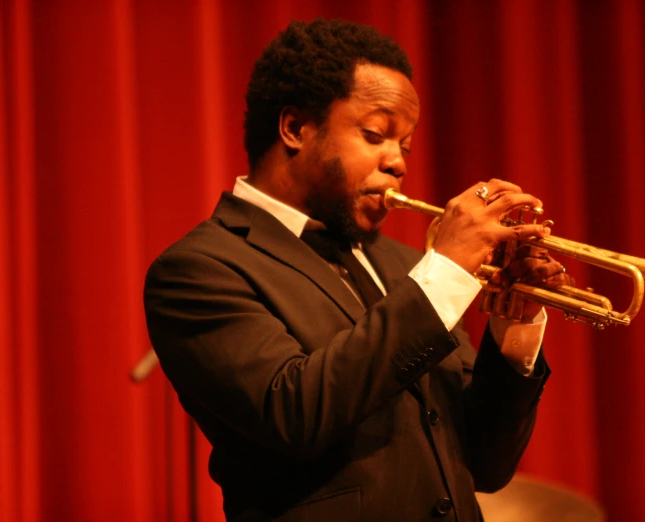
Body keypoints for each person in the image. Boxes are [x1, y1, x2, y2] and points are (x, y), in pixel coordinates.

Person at [144, 19, 570, 522]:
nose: (398, 163)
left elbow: (486, 464)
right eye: (375, 135)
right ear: (295, 128)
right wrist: (447, 270)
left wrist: (513, 326)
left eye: (405, 146)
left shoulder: (404, 265)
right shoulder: (199, 270)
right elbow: (297, 415)